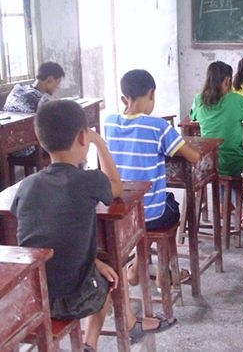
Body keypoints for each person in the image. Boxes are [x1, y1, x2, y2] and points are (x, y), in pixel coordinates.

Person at [10, 100, 172, 352]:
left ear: (41, 140)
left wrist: (93, 261)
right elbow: (116, 186)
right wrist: (100, 143)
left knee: (97, 266)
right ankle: (89, 344)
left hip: (32, 298)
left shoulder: (27, 186)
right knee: (111, 276)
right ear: (82, 137)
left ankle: (91, 342)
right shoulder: (90, 180)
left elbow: (41, 235)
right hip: (74, 300)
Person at [104, 69, 200, 287]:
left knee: (145, 211)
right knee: (170, 206)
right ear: (152, 94)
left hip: (121, 213)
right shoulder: (158, 126)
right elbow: (193, 157)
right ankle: (163, 273)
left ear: (124, 98)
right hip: (150, 215)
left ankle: (138, 266)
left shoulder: (109, 122)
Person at [190, 61, 243, 229]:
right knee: (229, 168)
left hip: (208, 161)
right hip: (233, 159)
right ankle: (242, 212)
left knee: (219, 167)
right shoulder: (236, 100)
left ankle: (224, 206)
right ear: (228, 81)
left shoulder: (199, 99)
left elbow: (193, 117)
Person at [3, 61, 65, 157]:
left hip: (6, 147)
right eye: (58, 82)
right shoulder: (41, 101)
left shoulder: (17, 90)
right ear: (49, 79)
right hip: (29, 150)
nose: (58, 87)